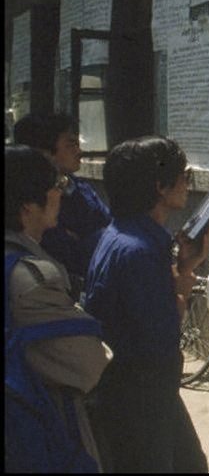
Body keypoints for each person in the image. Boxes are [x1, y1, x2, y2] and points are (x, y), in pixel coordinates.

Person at [84, 136, 209, 473]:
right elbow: (161, 338)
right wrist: (181, 291)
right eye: (184, 176)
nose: (187, 184)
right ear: (160, 186)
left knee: (191, 465)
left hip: (140, 392)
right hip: (139, 396)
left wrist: (184, 268)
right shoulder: (139, 252)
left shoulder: (121, 236)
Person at [5, 145, 112, 470]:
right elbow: (90, 363)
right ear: (27, 208)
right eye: (56, 186)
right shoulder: (31, 280)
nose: (61, 195)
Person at [14, 113, 112, 299]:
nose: (79, 151)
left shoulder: (78, 187)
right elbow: (60, 249)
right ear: (44, 152)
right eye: (70, 144)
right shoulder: (25, 197)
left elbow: (107, 228)